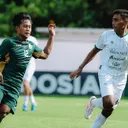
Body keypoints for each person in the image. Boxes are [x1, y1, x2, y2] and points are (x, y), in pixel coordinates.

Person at [70, 9, 128, 128]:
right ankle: (94, 103)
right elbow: (93, 52)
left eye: (116, 20)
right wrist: (80, 67)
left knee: (109, 109)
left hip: (121, 75)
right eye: (113, 19)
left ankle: (93, 102)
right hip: (106, 71)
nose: (113, 22)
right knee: (109, 102)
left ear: (125, 22)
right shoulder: (106, 35)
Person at [0, 12, 56, 122]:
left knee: (3, 111)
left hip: (14, 87)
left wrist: (52, 36)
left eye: (29, 27)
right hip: (1, 83)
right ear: (17, 28)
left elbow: (45, 54)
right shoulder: (9, 42)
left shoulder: (31, 46)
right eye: (25, 26)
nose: (28, 29)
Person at [22, 36, 38, 111]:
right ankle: (33, 102)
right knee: (26, 85)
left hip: (30, 64)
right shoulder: (17, 39)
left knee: (25, 83)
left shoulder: (33, 39)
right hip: (22, 64)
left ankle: (25, 104)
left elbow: (36, 52)